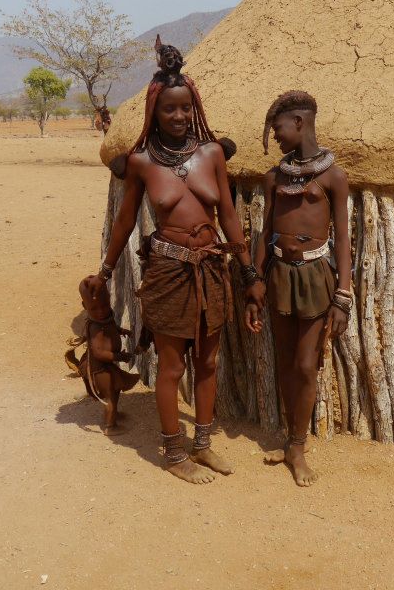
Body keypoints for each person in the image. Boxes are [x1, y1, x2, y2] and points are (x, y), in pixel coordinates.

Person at [96, 37, 266, 484]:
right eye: (170, 109)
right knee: (172, 365)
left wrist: (248, 272)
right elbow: (125, 221)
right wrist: (106, 270)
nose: (178, 116)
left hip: (211, 268)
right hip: (169, 272)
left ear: (196, 109)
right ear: (155, 111)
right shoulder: (141, 162)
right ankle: (174, 454)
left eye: (185, 108)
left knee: (209, 362)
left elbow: (228, 215)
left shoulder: (211, 154)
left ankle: (203, 445)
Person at [245, 90, 352, 487]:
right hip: (279, 276)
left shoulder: (333, 177)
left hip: (314, 277)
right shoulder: (275, 177)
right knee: (286, 361)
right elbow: (265, 229)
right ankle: (291, 443)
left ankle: (298, 445)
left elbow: (343, 239)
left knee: (307, 365)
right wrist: (255, 280)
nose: (275, 137)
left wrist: (343, 296)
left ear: (300, 124)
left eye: (278, 129)